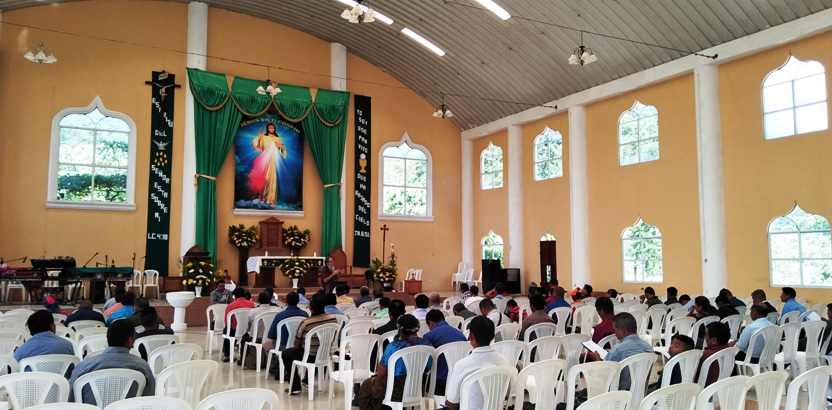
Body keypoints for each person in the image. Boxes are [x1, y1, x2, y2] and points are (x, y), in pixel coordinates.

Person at [69, 320, 155, 404]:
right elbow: (148, 400)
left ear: (108, 339)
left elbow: (72, 400)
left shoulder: (83, 367)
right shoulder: (142, 366)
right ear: (130, 340)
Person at [443, 316, 508, 410]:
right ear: (493, 336)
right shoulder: (504, 361)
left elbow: (452, 404)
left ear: (471, 336)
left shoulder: (462, 365)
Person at [282, 294, 339, 394]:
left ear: (310, 308)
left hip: (310, 356)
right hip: (326, 354)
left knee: (286, 354)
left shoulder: (305, 323)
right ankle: (307, 380)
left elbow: (296, 345)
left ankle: (295, 386)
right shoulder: (333, 319)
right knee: (312, 350)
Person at [589, 312, 654, 390]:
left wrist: (597, 360)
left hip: (618, 394)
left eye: (615, 331)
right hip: (640, 393)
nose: (615, 334)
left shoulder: (617, 350)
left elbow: (605, 377)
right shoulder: (649, 348)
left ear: (623, 331)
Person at [423, 309, 467, 396]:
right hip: (460, 380)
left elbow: (424, 362)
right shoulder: (460, 334)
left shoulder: (429, 336)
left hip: (439, 382)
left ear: (430, 323)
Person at [263, 291, 309, 366]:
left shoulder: (280, 315)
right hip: (300, 345)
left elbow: (271, 335)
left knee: (266, 345)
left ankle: (275, 366)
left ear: (286, 301)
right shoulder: (305, 314)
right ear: (298, 301)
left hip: (283, 345)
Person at [249, 122, 287, 207]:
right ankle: (263, 197)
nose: (271, 130)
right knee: (264, 178)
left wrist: (280, 146)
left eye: (273, 128)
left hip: (273, 160)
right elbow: (258, 146)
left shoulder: (278, 138)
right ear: (267, 129)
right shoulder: (264, 137)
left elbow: (283, 149)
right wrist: (260, 136)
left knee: (273, 179)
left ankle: (272, 200)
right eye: (270, 128)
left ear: (274, 129)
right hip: (264, 159)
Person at [222, 287, 255, 362]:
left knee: (227, 330)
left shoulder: (230, 306)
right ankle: (246, 355)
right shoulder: (252, 304)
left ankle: (227, 354)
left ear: (234, 296)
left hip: (234, 330)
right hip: (248, 330)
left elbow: (227, 321)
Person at [697, 322, 731, 388]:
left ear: (714, 340)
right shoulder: (731, 353)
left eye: (706, 335)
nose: (704, 337)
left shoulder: (706, 355)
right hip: (722, 389)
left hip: (705, 390)